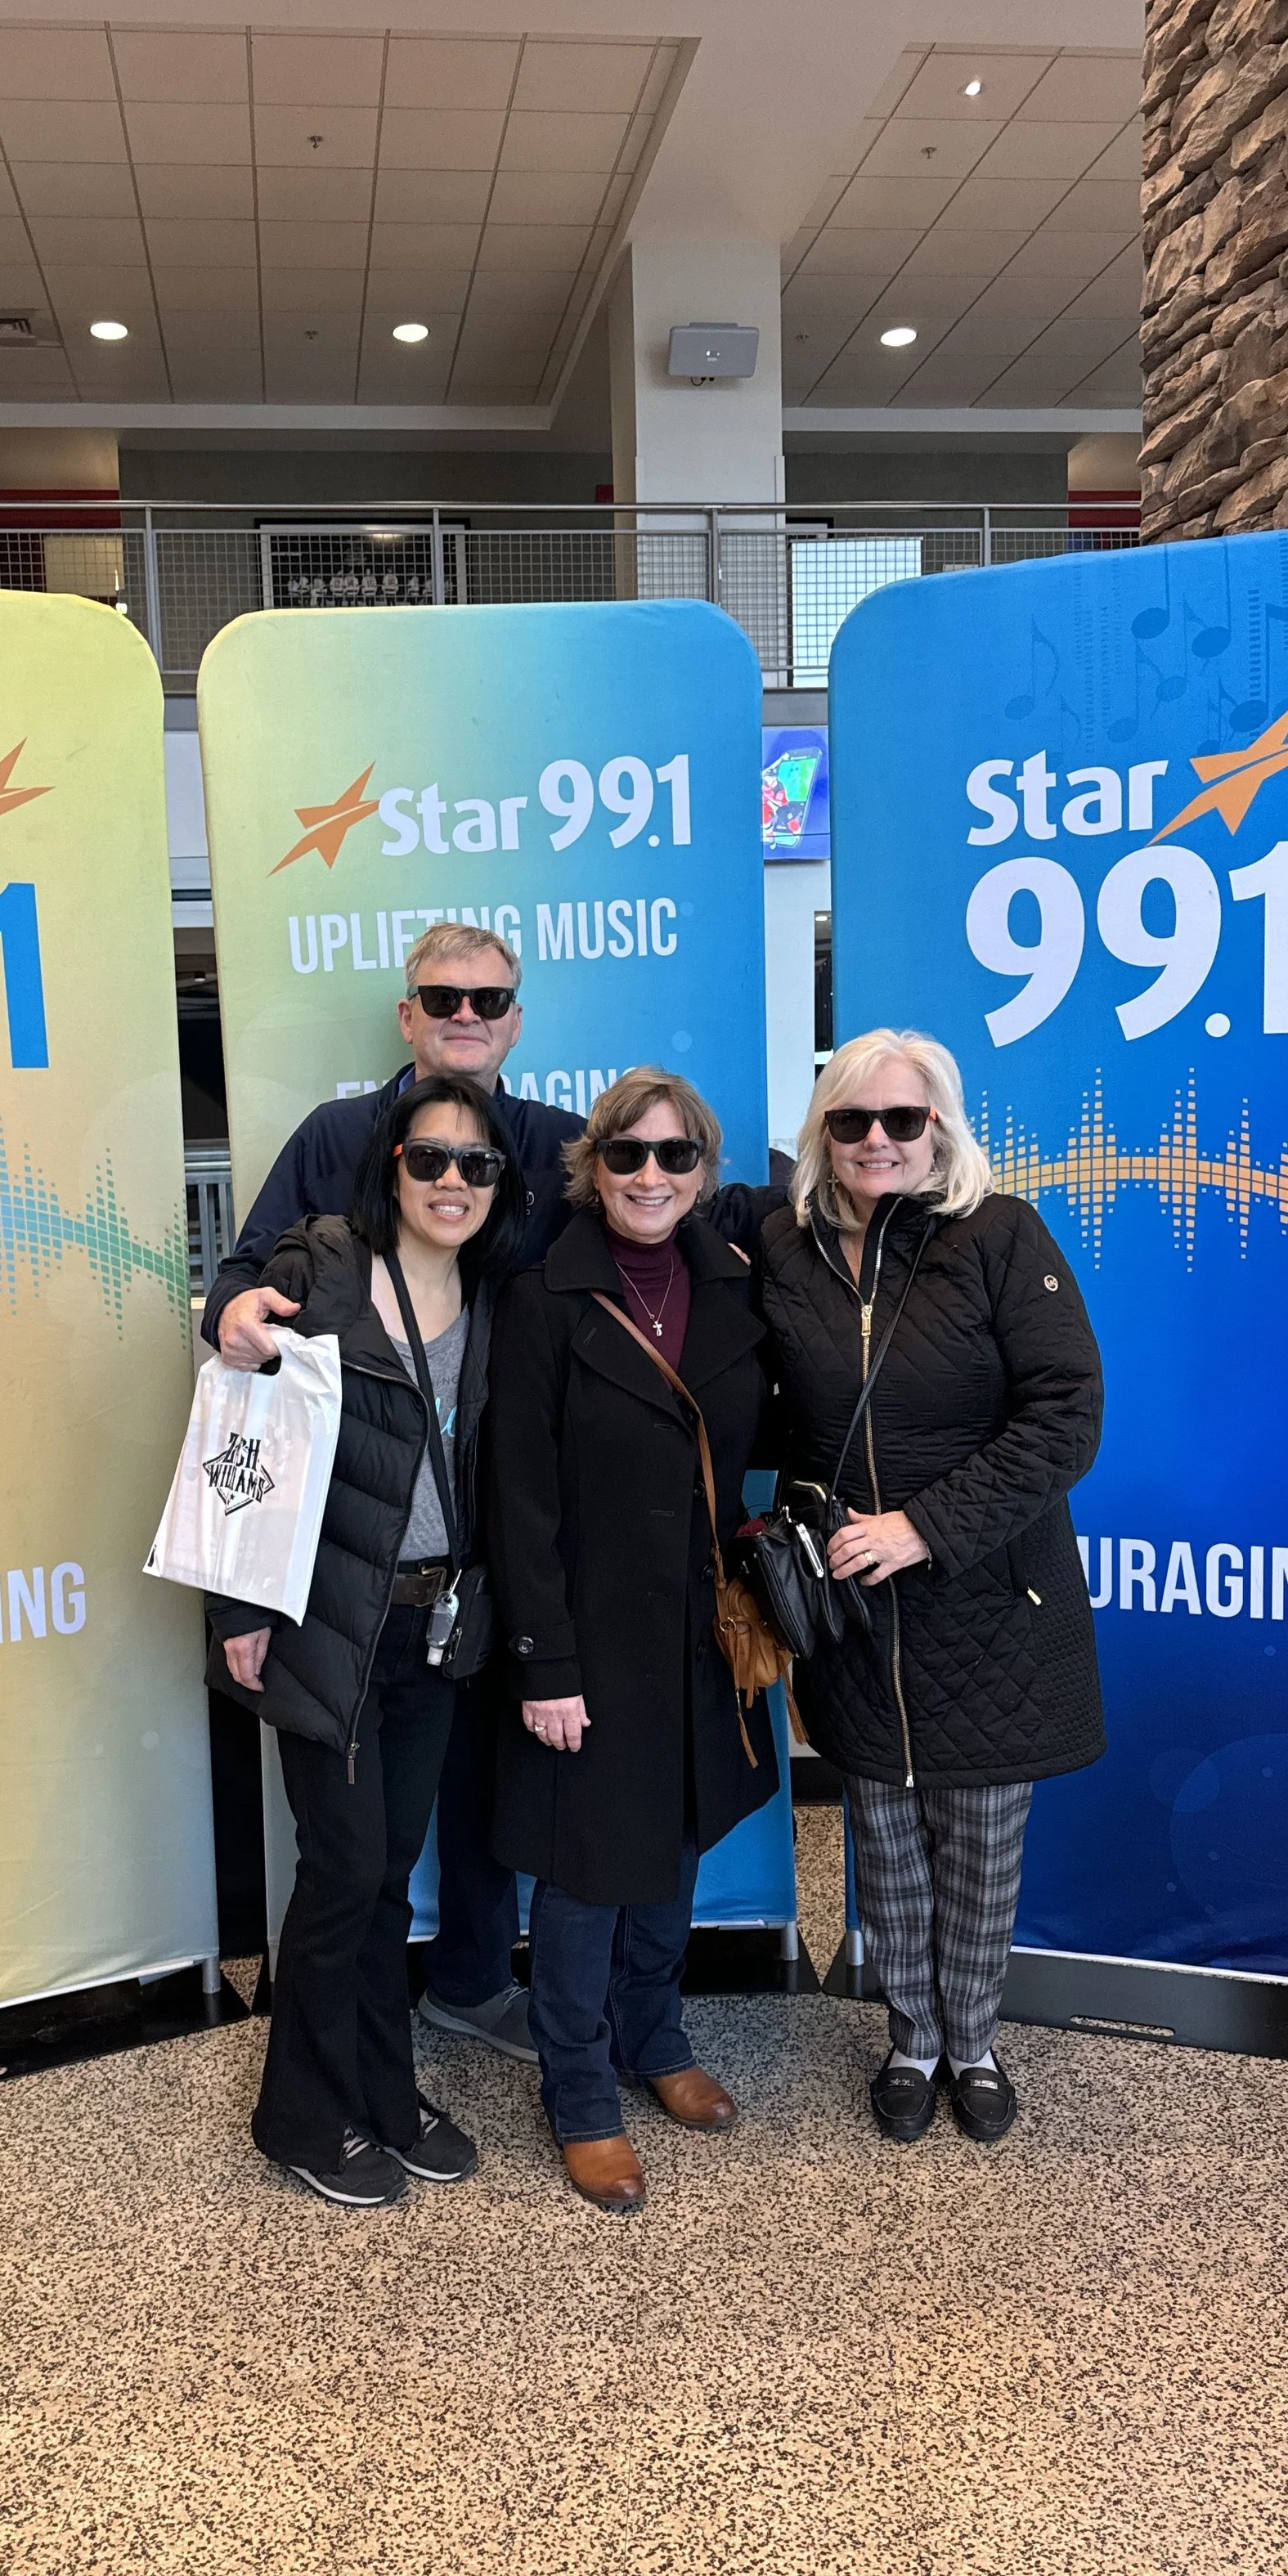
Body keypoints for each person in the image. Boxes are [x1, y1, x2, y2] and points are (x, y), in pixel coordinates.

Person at [202, 922, 581, 2064]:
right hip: (352, 1564)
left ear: (516, 1020)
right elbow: (245, 1290)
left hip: (495, 1548)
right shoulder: (336, 1138)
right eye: (442, 997)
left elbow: (664, 1214)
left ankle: (467, 1984)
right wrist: (226, 1318)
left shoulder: (557, 1145)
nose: (466, 1015)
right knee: (357, 1843)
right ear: (407, 1016)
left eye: (489, 999)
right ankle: (346, 2051)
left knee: (480, 1793)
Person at [755, 1028, 1105, 2147]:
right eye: (851, 1121)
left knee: (981, 1837)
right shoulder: (783, 1246)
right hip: (853, 1609)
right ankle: (910, 2041)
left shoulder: (1000, 1237)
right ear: (823, 1131)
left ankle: (975, 2045)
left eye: (901, 1121)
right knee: (884, 1834)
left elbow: (1066, 1414)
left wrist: (925, 1527)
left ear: (940, 1128)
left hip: (988, 1599)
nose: (876, 1141)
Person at [206, 1072, 523, 2207]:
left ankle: (386, 2091)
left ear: (498, 1183)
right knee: (342, 1873)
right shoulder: (325, 1268)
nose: (451, 1180)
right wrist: (237, 1605)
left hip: (435, 1633)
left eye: (475, 1164)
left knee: (391, 1872)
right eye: (429, 1158)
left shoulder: (494, 1290)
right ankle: (299, 2114)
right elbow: (234, 1414)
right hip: (324, 1621)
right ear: (391, 1162)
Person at [486, 1067, 777, 2214]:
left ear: (705, 1172)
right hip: (589, 1633)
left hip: (699, 1627)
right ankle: (579, 2090)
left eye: (675, 1157)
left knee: (678, 1842)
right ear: (591, 1165)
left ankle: (655, 2036)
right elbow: (520, 1500)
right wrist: (543, 1665)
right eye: (627, 1155)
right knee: (585, 1872)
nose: (650, 1177)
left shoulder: (738, 1284)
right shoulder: (543, 1295)